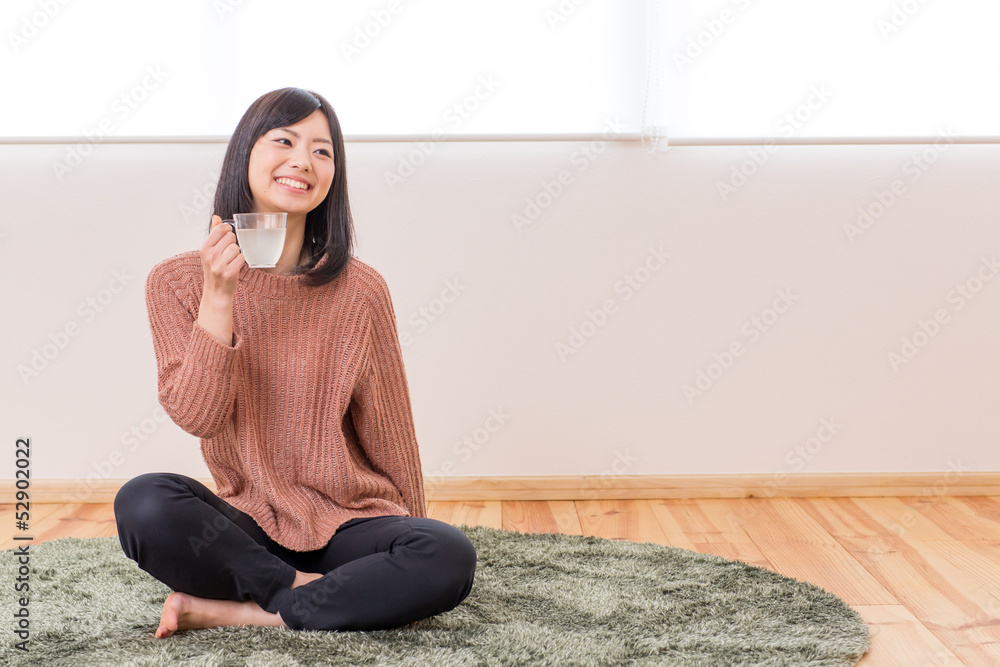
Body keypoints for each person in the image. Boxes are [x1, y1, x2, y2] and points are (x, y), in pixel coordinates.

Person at [114, 87, 477, 638]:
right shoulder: (176, 282)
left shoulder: (362, 290)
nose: (303, 161)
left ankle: (244, 612)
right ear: (245, 155)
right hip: (246, 529)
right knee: (144, 501)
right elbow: (198, 417)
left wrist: (410, 530)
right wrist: (219, 297)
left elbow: (389, 427)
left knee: (447, 553)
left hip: (347, 526)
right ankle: (309, 596)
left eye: (322, 150)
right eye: (284, 140)